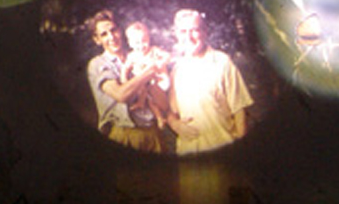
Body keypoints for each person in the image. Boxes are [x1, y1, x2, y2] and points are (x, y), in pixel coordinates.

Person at [168, 9, 254, 155]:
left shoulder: (222, 62)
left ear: (205, 32)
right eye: (183, 31)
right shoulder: (177, 69)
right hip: (189, 153)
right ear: (176, 35)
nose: (188, 37)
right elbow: (171, 112)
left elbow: (240, 113)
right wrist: (175, 125)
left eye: (194, 30)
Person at [84, 10, 166, 152]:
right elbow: (121, 95)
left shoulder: (139, 55)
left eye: (113, 30)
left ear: (120, 31)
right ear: (97, 40)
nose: (111, 37)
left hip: (153, 134)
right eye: (104, 34)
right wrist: (148, 72)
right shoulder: (98, 64)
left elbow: (163, 101)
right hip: (124, 135)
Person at [123, 21, 171, 129]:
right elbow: (125, 69)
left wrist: (161, 62)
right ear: (130, 43)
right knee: (149, 99)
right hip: (144, 84)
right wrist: (124, 80)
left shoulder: (154, 50)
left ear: (149, 39)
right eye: (137, 42)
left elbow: (168, 56)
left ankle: (145, 104)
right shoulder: (132, 56)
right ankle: (159, 117)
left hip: (159, 80)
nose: (141, 45)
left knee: (150, 92)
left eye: (144, 40)